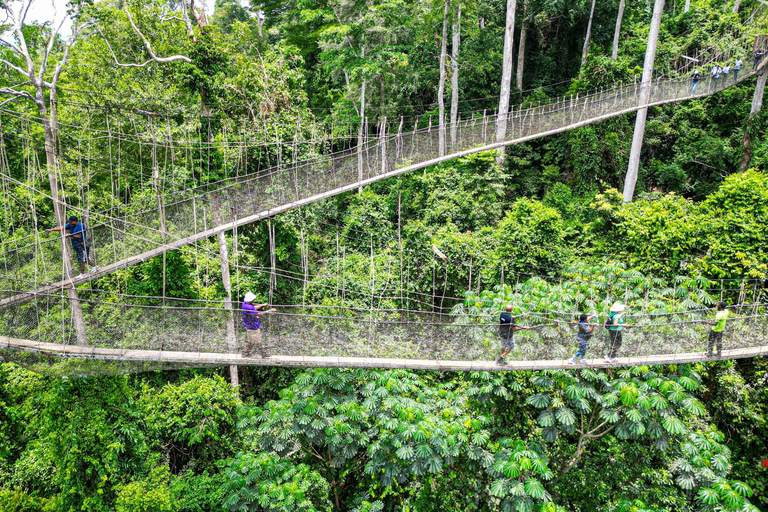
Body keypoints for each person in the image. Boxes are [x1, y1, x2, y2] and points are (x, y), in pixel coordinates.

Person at [241, 292, 276, 357]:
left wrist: (262, 305)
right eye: (253, 299)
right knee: (258, 341)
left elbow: (253, 308)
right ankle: (263, 353)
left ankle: (245, 352)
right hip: (253, 326)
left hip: (248, 325)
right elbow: (258, 314)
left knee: (250, 340)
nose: (254, 300)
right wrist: (269, 311)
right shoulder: (249, 307)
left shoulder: (244, 304)